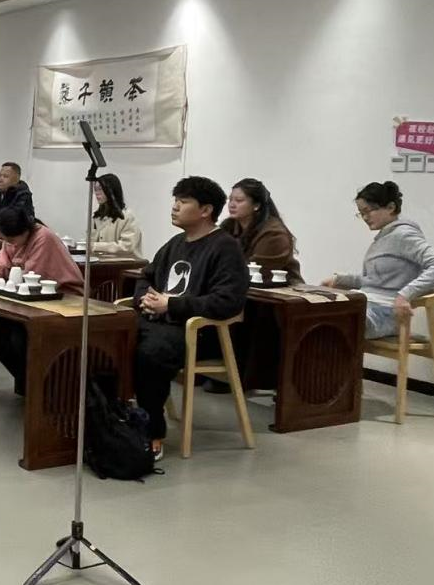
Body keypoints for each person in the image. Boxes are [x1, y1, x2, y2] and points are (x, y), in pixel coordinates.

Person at [129, 176, 248, 460]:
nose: (175, 207)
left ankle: (152, 432)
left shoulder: (225, 247)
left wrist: (171, 304)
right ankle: (116, 417)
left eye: (183, 202)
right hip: (161, 323)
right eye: (175, 201)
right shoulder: (175, 243)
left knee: (150, 352)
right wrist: (145, 299)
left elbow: (227, 301)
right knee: (109, 337)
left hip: (200, 333)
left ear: (205, 210)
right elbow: (146, 277)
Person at [323, 181, 434, 339]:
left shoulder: (404, 235)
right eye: (361, 213)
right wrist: (340, 279)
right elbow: (375, 281)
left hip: (383, 313)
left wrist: (404, 295)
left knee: (328, 322)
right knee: (314, 314)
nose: (365, 217)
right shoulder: (384, 238)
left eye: (368, 211)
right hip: (367, 304)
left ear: (390, 207)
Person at [0, 207, 84, 391]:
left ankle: (45, 386)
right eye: (5, 240)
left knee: (20, 335)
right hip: (32, 302)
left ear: (25, 231)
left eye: (11, 240)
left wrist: (6, 272)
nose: (9, 244)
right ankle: (29, 383)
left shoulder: (44, 238)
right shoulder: (12, 239)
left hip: (64, 299)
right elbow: (1, 261)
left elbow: (31, 276)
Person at [220, 178, 302, 283]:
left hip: (279, 289)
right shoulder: (228, 226)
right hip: (239, 285)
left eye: (239, 200)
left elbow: (257, 270)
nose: (232, 205)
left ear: (256, 205)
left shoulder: (274, 233)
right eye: (230, 199)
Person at [90, 173, 144, 258]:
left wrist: (96, 246)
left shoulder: (127, 216)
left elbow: (127, 246)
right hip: (102, 263)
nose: (97, 193)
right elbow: (91, 242)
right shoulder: (97, 217)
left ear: (112, 190)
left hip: (125, 264)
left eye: (100, 189)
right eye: (95, 190)